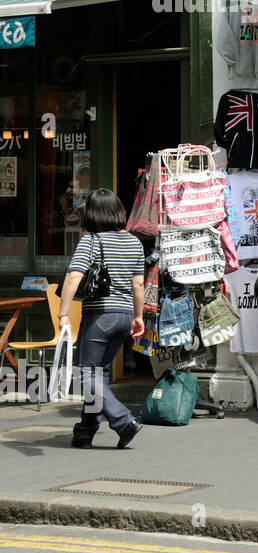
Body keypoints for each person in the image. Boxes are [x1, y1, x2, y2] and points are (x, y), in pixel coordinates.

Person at [58, 188, 146, 449]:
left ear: (92, 214)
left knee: (87, 374)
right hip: (124, 316)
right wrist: (138, 316)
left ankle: (123, 420)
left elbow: (74, 276)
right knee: (98, 374)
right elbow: (138, 284)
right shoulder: (134, 242)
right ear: (118, 210)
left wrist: (63, 314)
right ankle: (85, 433)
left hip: (99, 316)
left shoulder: (91, 241)